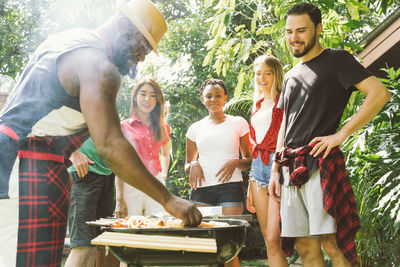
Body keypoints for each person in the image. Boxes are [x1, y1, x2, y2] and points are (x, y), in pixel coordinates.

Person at [0, 0, 202, 266]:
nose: (140, 59)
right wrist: (168, 199)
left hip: (34, 166)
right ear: (122, 27)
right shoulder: (99, 66)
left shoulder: (69, 40)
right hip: (22, 168)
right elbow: (110, 144)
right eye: (141, 47)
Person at [268, 2, 391, 267]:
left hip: (320, 164)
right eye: (289, 31)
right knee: (303, 246)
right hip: (290, 167)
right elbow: (285, 125)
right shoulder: (290, 75)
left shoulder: (338, 60)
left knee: (331, 243)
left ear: (318, 29)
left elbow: (379, 93)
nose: (294, 37)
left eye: (301, 30)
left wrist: (341, 134)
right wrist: (275, 168)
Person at [185, 78, 252, 267]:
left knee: (229, 245)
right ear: (202, 99)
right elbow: (187, 164)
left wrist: (235, 162)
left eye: (218, 96)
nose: (213, 99)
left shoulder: (238, 123)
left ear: (225, 98)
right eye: (208, 96)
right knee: (205, 246)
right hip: (201, 190)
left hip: (230, 187)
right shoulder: (195, 128)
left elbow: (249, 159)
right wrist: (193, 163)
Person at [245, 55, 288, 267]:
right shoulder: (257, 105)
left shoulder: (283, 102)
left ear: (276, 74)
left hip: (275, 166)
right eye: (258, 74)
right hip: (256, 170)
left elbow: (285, 137)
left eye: (267, 73)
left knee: (274, 239)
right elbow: (255, 144)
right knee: (266, 239)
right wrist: (249, 187)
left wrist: (277, 168)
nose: (262, 78)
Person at [115, 78, 170, 219]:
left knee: (158, 224)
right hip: (132, 182)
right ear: (135, 97)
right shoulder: (124, 127)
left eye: (153, 95)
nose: (148, 99)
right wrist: (119, 198)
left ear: (158, 100)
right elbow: (119, 164)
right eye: (143, 94)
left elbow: (165, 154)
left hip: (156, 182)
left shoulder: (163, 127)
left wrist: (163, 175)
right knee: (131, 225)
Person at [64, 138, 115, 267]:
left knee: (94, 245)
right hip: (83, 172)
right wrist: (72, 153)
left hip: (107, 173)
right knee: (81, 246)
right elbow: (54, 122)